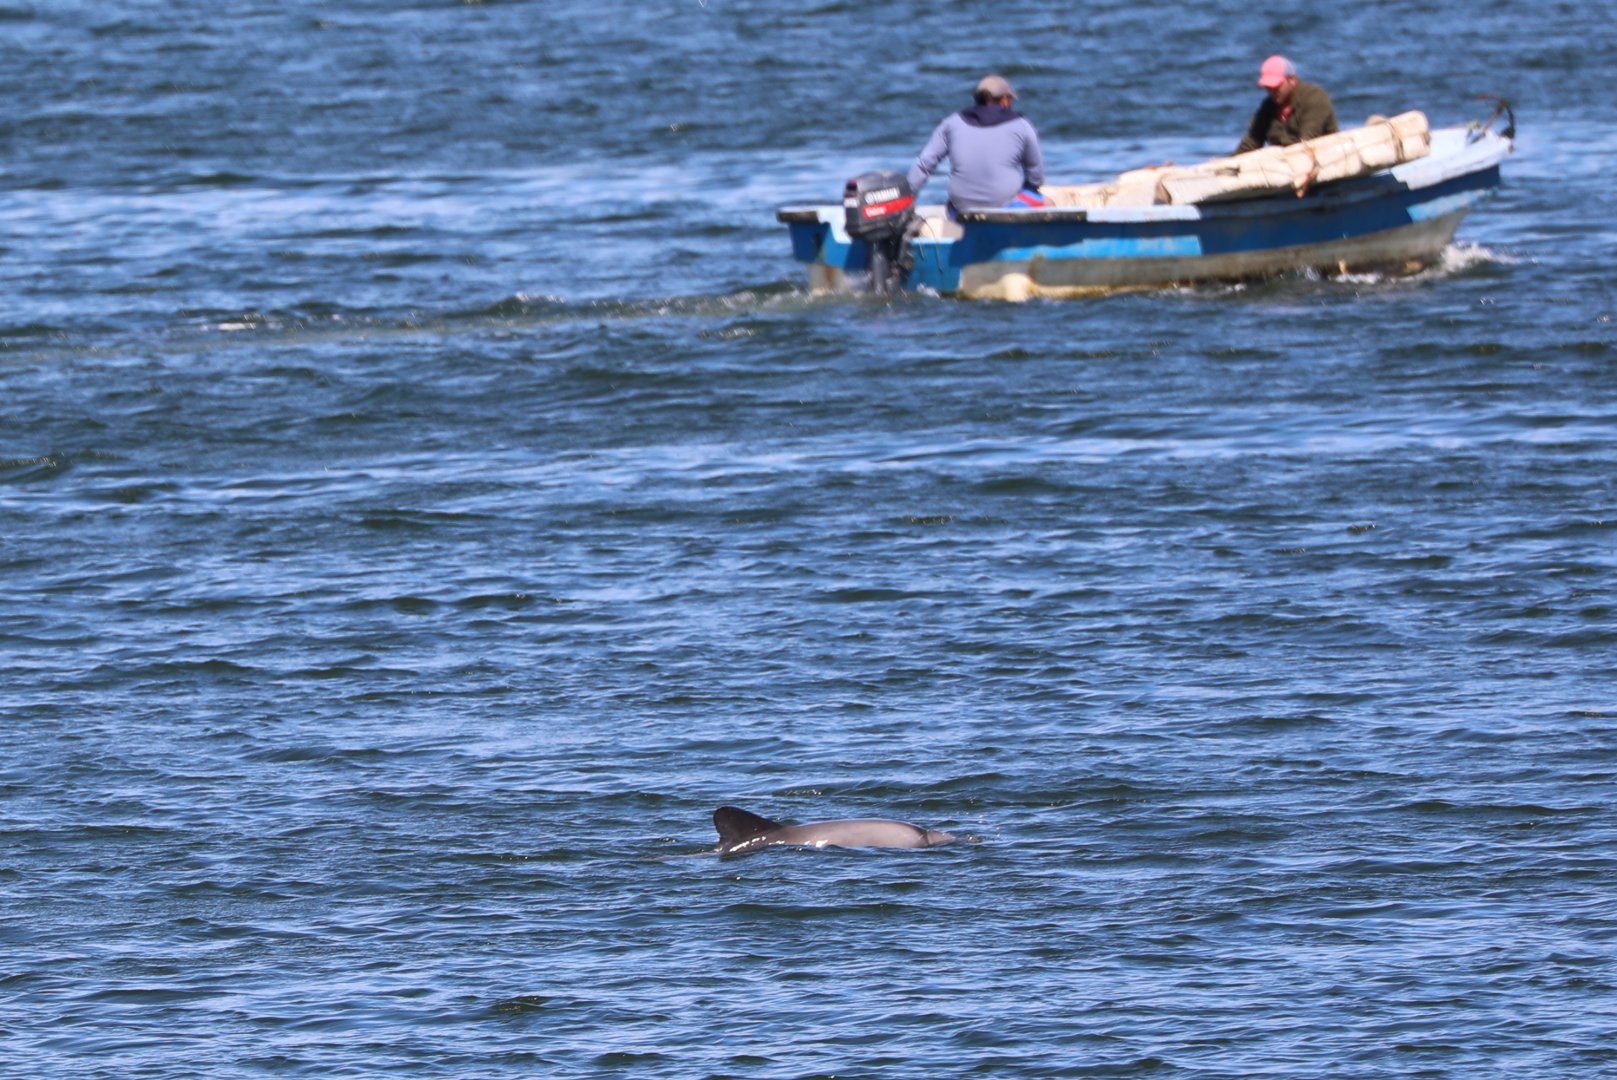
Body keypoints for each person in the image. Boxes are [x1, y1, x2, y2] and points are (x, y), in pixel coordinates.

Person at [908, 74, 1045, 216]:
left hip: (961, 209)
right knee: (1040, 199)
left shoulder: (952, 123)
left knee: (951, 204)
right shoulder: (1022, 125)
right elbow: (1036, 176)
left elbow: (924, 165)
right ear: (1005, 100)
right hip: (1007, 208)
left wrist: (907, 199)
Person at [1236, 55, 1339, 154]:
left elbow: (1308, 140)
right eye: (1268, 87)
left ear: (1292, 80)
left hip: (1322, 158)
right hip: (1287, 163)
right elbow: (1250, 143)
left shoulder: (1314, 97)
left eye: (1277, 86)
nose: (1272, 92)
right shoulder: (1268, 107)